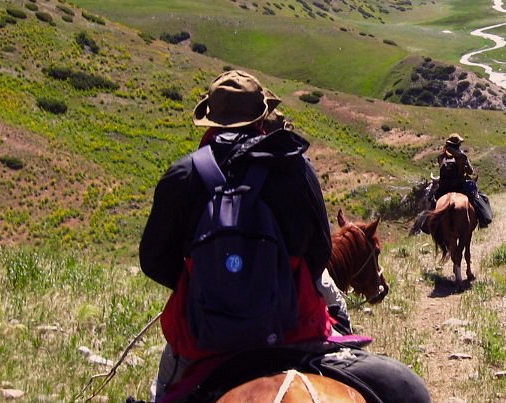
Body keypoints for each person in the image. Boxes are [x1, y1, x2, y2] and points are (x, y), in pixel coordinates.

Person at [140, 70, 430, 403]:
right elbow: (320, 250)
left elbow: (154, 260)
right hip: (294, 327)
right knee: (408, 391)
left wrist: (207, 278)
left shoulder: (183, 174)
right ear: (261, 117)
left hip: (205, 336)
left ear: (210, 120)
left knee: (162, 394)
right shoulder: (293, 165)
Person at [434, 133, 493, 227]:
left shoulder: (441, 156)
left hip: (444, 187)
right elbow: (470, 171)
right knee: (478, 197)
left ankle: (427, 224)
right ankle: (483, 220)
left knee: (433, 200)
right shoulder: (462, 156)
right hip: (459, 186)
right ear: (458, 144)